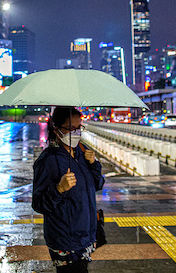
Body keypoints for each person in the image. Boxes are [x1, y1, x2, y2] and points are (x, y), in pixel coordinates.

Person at [32, 106, 105, 273]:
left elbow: (97, 185)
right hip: (65, 241)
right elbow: (38, 204)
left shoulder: (81, 153)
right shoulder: (47, 161)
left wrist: (94, 164)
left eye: (79, 128)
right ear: (56, 129)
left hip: (85, 237)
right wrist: (59, 189)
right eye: (71, 128)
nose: (76, 133)